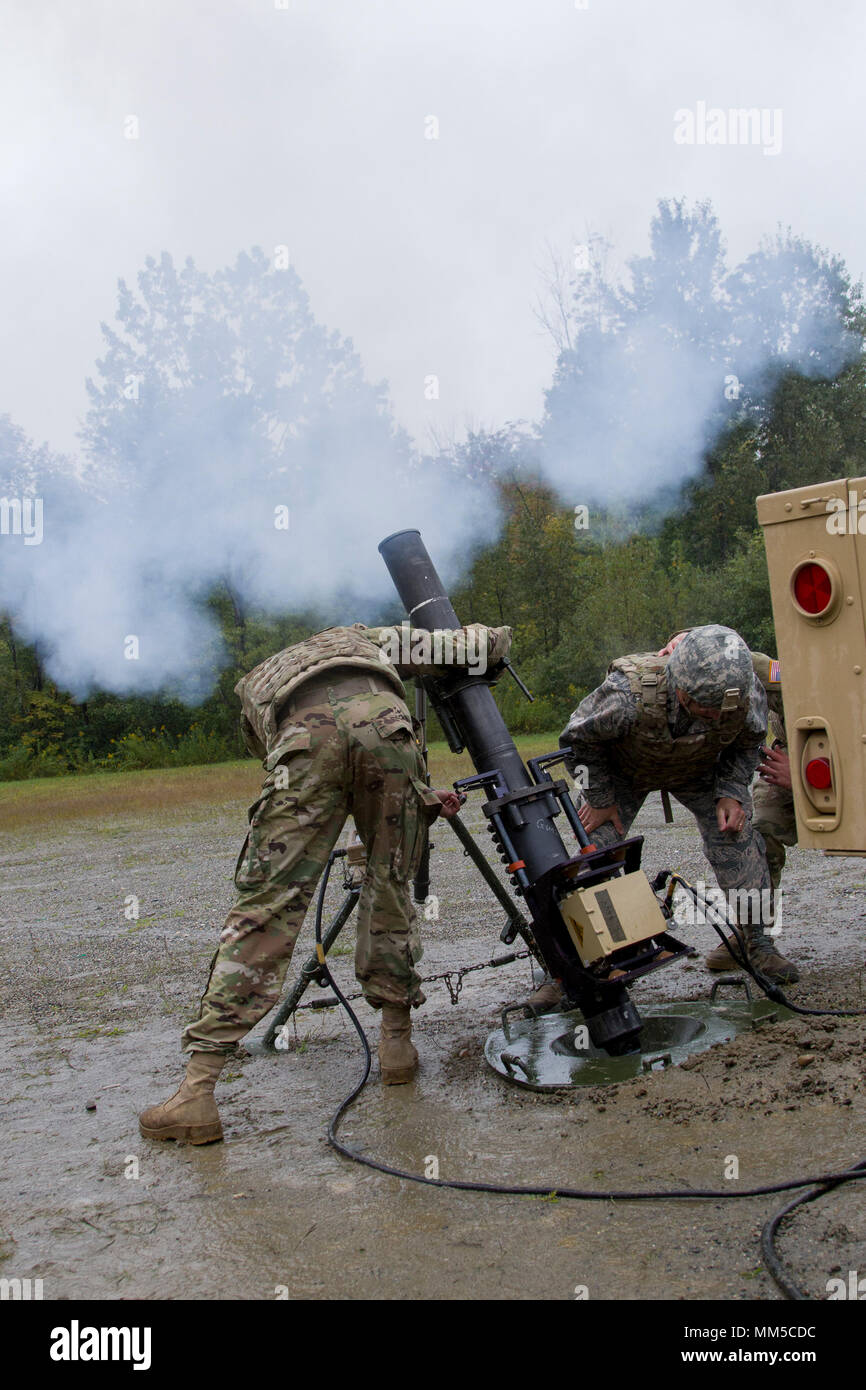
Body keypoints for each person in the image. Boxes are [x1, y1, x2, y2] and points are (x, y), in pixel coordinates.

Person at [139, 620, 511, 1144]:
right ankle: (396, 1047)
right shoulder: (366, 638)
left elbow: (277, 752)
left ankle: (197, 1094)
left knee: (268, 905)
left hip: (301, 743)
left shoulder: (257, 682)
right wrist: (493, 637)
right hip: (389, 732)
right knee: (391, 884)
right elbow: (470, 648)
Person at [526, 624, 797, 1015]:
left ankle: (757, 943)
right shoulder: (628, 696)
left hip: (701, 770)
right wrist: (600, 798)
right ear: (681, 691)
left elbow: (748, 740)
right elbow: (576, 739)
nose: (717, 716)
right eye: (707, 708)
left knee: (739, 838)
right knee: (592, 861)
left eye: (724, 709)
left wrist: (732, 791)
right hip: (624, 772)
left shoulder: (743, 692)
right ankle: (568, 971)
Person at [705, 651, 796, 972]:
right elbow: (742, 659)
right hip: (794, 759)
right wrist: (686, 639)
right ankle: (753, 934)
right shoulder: (796, 675)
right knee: (758, 834)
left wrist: (802, 776)